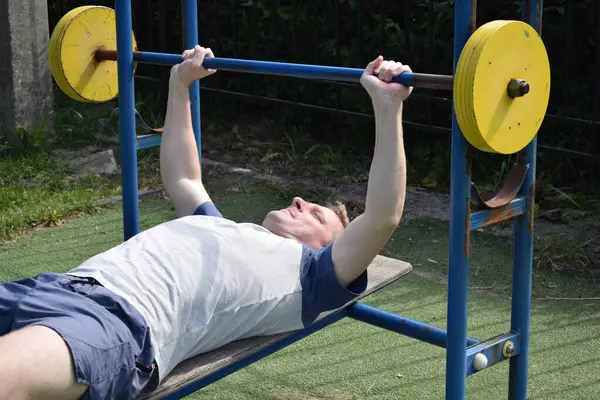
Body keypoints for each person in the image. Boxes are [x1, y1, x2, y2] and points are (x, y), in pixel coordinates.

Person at [0, 46, 412, 400]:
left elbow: (382, 216)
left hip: (118, 325)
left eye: (316, 214)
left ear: (328, 248)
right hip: (59, 286)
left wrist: (388, 106)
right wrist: (180, 84)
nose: (299, 200)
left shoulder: (311, 280)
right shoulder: (217, 227)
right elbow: (183, 178)